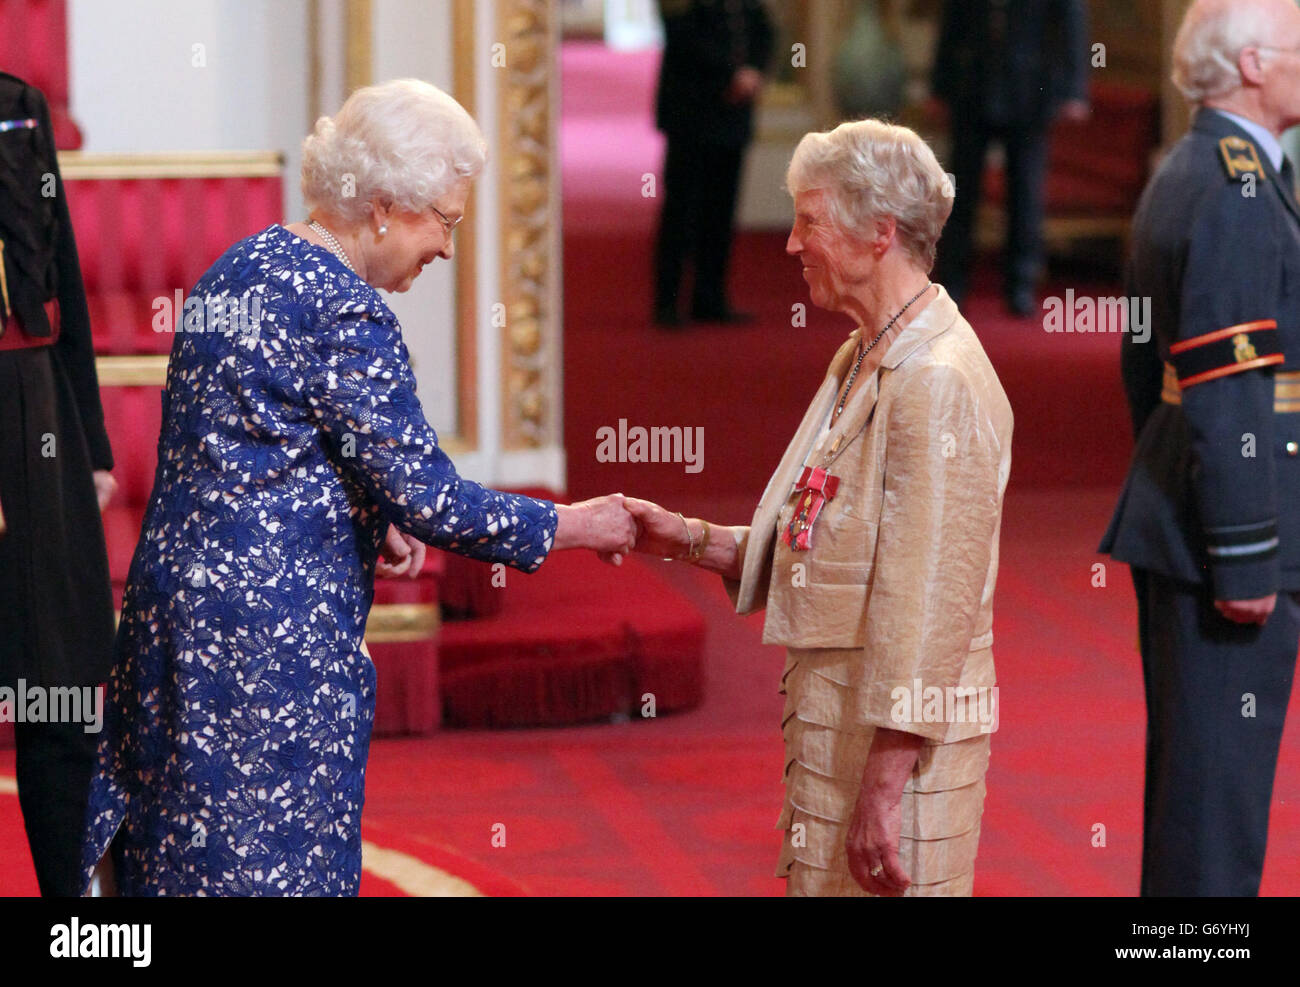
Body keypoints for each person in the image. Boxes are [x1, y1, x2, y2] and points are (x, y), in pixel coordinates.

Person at [80, 79, 637, 896]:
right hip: (269, 655)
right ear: (382, 206)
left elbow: (248, 453)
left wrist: (366, 514)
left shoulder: (238, 267)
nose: (447, 247)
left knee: (175, 865)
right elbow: (436, 500)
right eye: (444, 220)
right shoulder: (346, 311)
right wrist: (578, 524)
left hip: (173, 627)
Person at [627, 119, 1013, 896]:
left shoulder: (935, 379)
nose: (791, 243)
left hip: (896, 759)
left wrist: (883, 788)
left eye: (810, 220)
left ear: (879, 233)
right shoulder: (863, 353)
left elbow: (930, 602)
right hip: (842, 731)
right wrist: (688, 539)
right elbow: (822, 542)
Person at [1100, 0, 1300, 897]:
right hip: (1228, 536)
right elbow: (1226, 389)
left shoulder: (1197, 168)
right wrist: (1244, 553)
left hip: (1188, 506)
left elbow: (1143, 363)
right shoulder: (1235, 187)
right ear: (1255, 64)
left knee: (1198, 789)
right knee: (1212, 809)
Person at [0, 71, 118, 897]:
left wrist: (93, 442)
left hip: (32, 414)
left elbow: (62, 278)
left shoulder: (16, 106)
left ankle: (72, 916)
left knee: (59, 695)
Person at [930, 0, 1090, 315]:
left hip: (1031, 91)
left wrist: (1074, 90)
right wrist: (939, 87)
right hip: (972, 88)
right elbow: (951, 24)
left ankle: (1021, 285)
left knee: (1026, 193)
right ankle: (952, 282)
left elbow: (1071, 26)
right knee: (959, 193)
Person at [651, 0, 773, 327]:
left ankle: (710, 297)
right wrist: (729, 74)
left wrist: (755, 71)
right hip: (691, 109)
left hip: (733, 113)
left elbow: (762, 30)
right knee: (682, 210)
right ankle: (668, 302)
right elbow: (681, 35)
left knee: (721, 209)